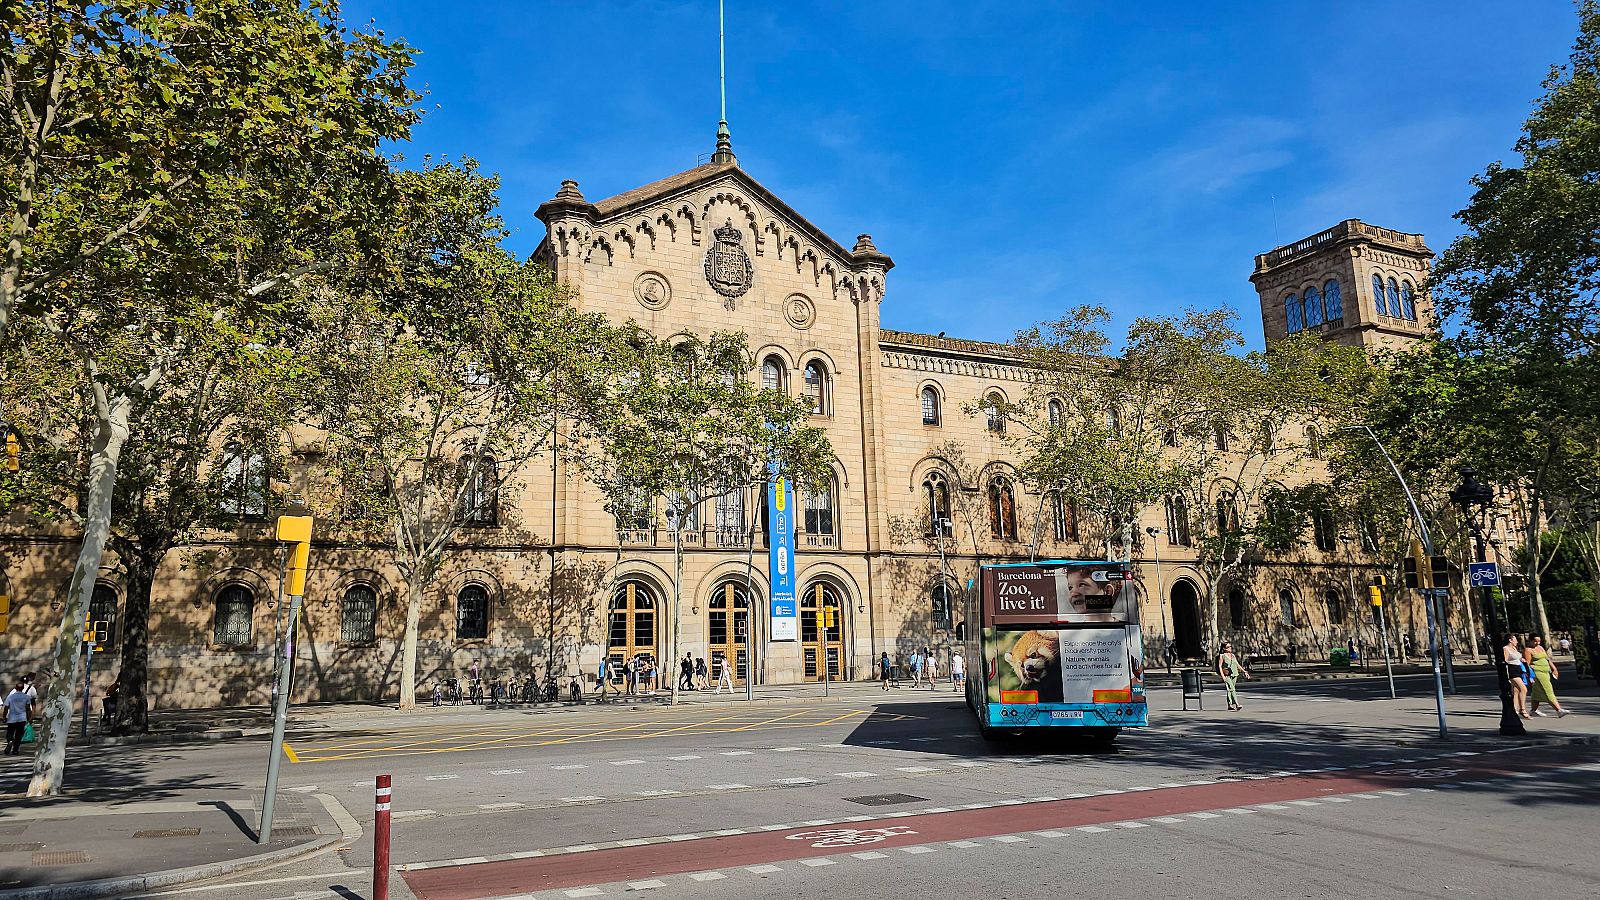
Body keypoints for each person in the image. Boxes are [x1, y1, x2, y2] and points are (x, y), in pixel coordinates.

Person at [1523, 636, 1567, 718]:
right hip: (1537, 672)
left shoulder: (1540, 647)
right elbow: (1527, 664)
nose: (1537, 643)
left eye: (1539, 641)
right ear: (1530, 641)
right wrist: (1529, 676)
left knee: (1536, 692)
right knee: (1547, 689)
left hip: (1546, 671)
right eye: (1535, 641)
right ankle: (1558, 710)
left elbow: (1547, 659)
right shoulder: (1527, 650)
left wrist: (1554, 668)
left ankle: (1533, 710)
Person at [1502, 634, 1529, 719]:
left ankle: (1514, 710)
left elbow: (1517, 658)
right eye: (1515, 639)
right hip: (1512, 671)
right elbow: (1505, 661)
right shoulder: (1505, 648)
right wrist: (1506, 675)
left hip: (1518, 670)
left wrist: (1522, 660)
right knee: (1523, 689)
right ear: (1510, 640)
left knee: (1516, 691)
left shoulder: (1514, 648)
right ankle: (1522, 709)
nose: (1517, 641)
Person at [4, 679, 32, 755]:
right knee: (19, 734)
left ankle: (10, 741)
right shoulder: (26, 697)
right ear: (23, 688)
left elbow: (6, 707)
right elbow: (28, 709)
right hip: (22, 718)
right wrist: (30, 718)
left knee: (10, 732)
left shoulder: (10, 697)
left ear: (15, 688)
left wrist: (4, 717)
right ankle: (15, 750)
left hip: (12, 718)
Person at [1217, 642, 1247, 711]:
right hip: (1227, 675)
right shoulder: (1222, 656)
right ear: (1224, 648)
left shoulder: (1232, 655)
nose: (1230, 648)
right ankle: (1237, 704)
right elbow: (1220, 667)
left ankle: (1229, 705)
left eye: (1230, 646)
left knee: (1230, 690)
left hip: (1235, 674)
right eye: (1228, 647)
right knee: (1232, 689)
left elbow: (1237, 664)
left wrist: (1244, 671)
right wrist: (1223, 676)